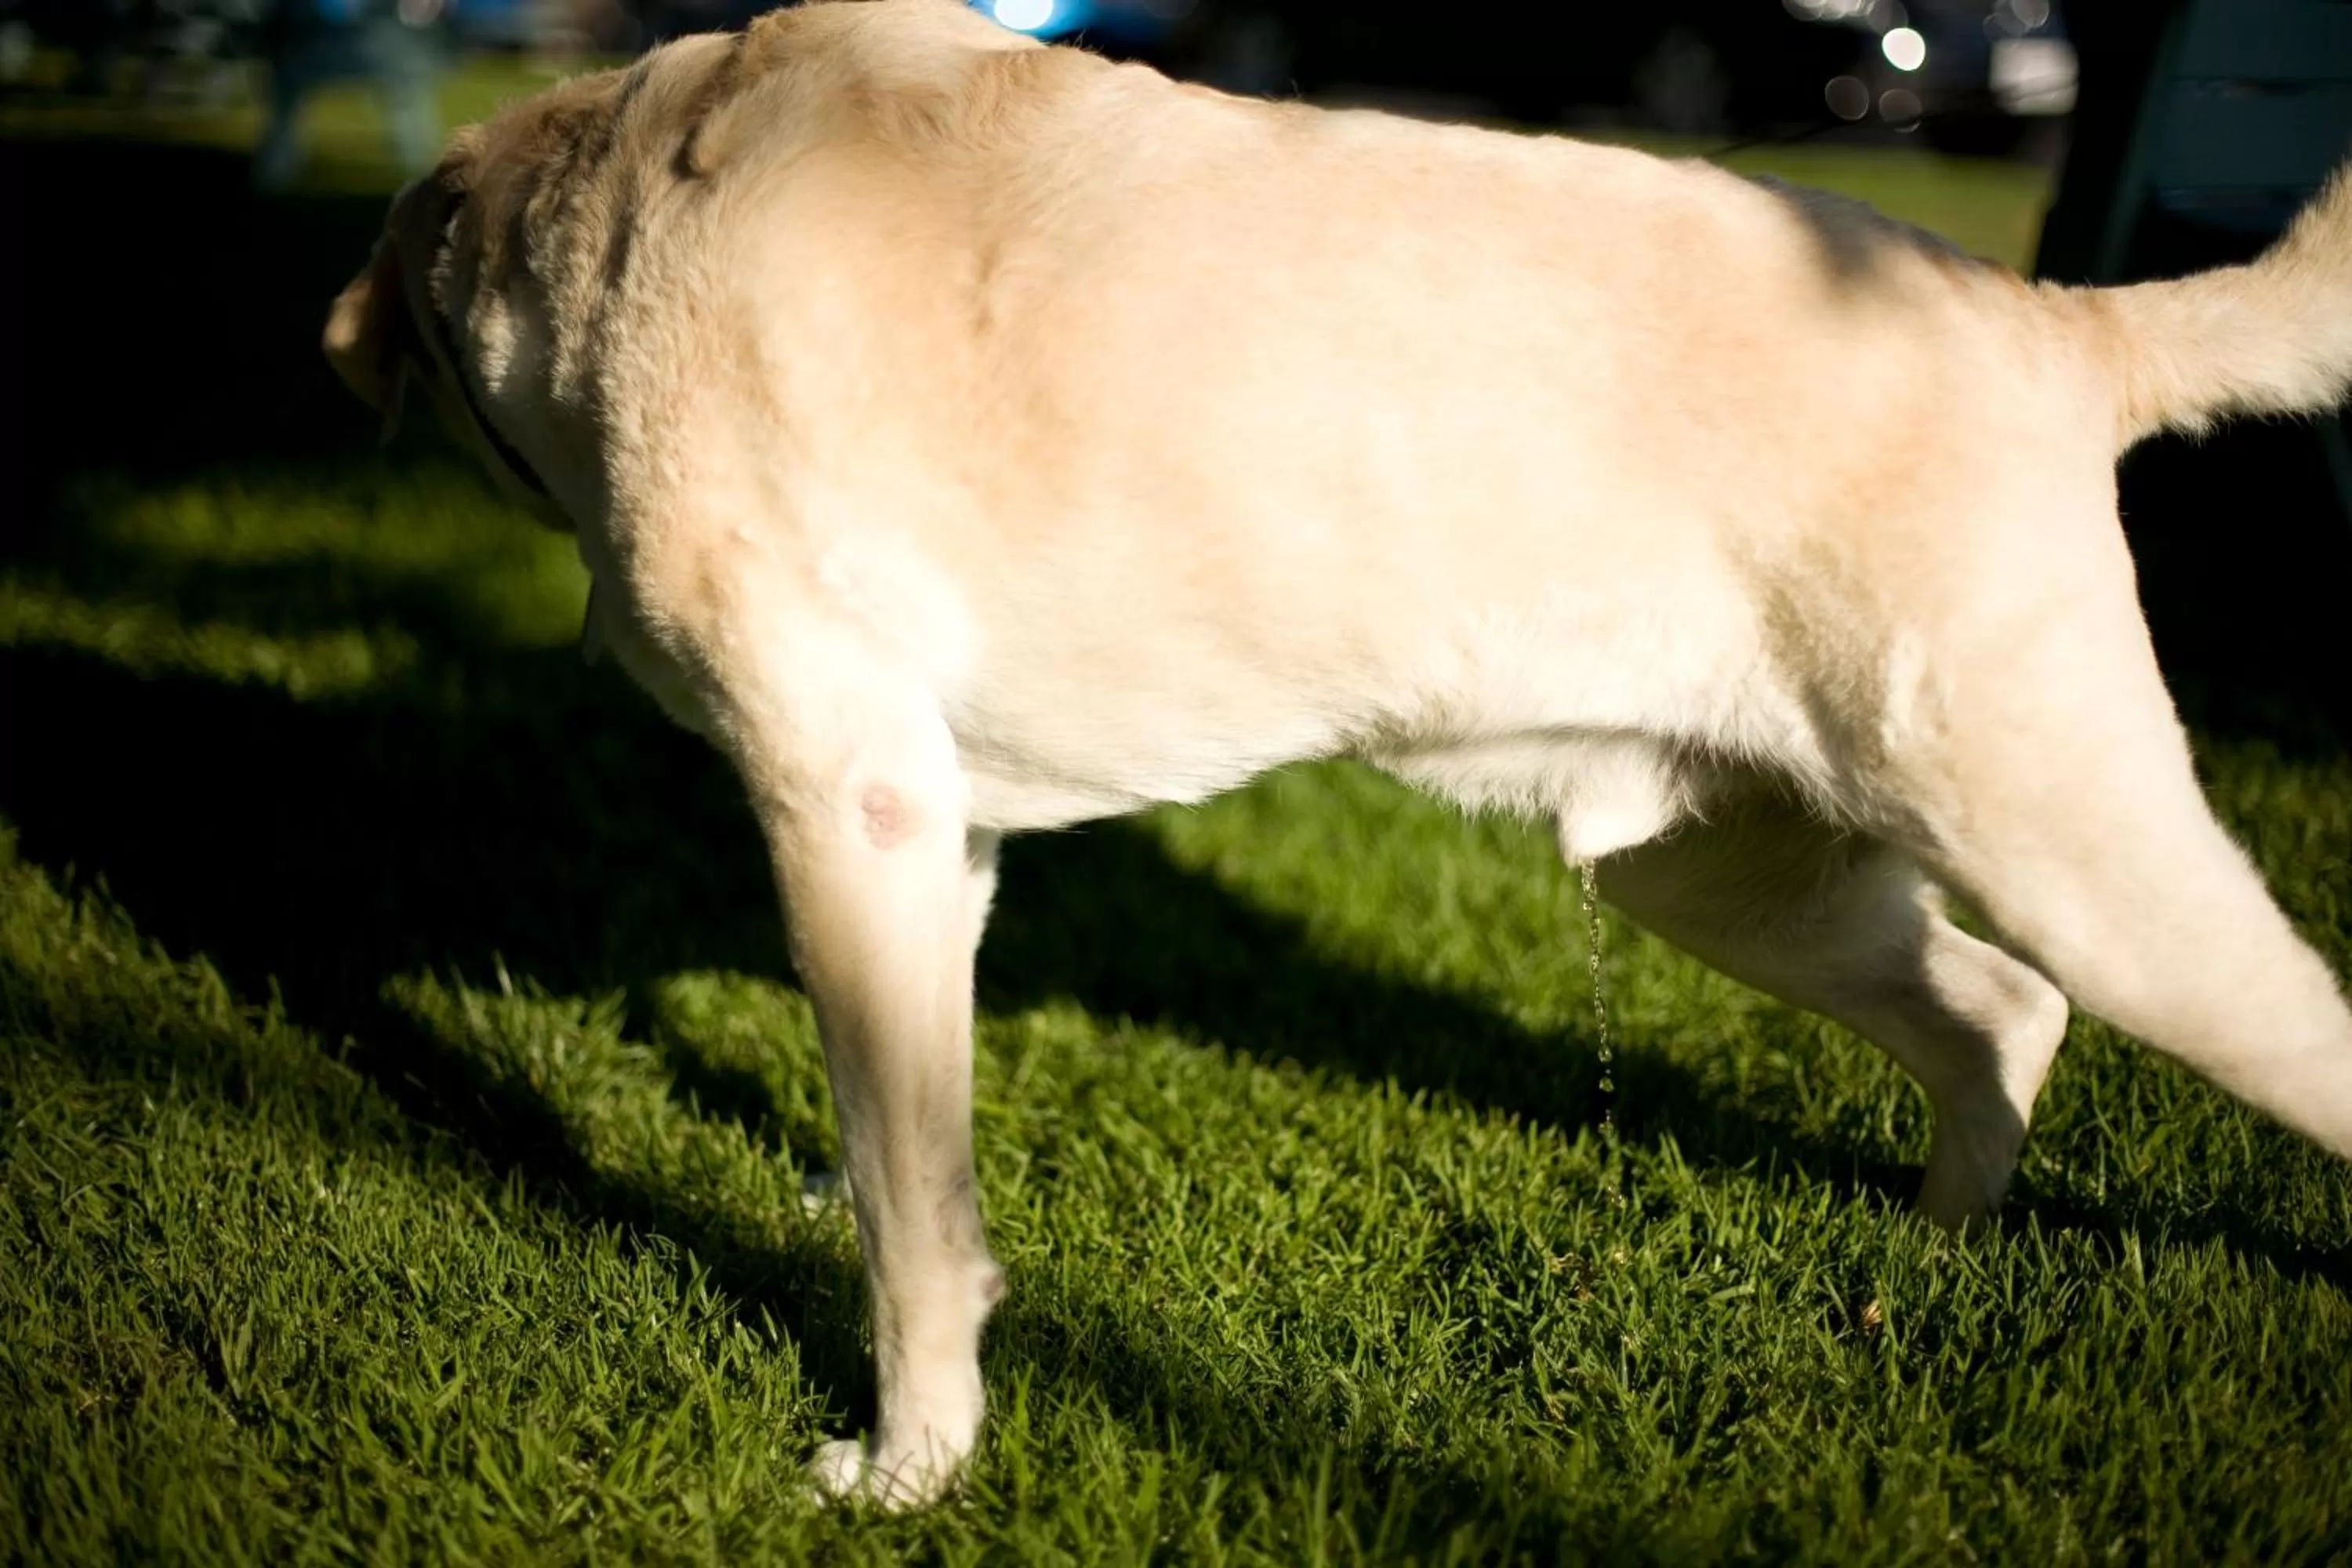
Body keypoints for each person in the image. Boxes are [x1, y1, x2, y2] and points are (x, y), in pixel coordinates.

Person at [252, 0, 451, 193]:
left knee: (286, 89)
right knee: (406, 92)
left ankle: (274, 170)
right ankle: (424, 169)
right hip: (380, 53)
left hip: (317, 51)